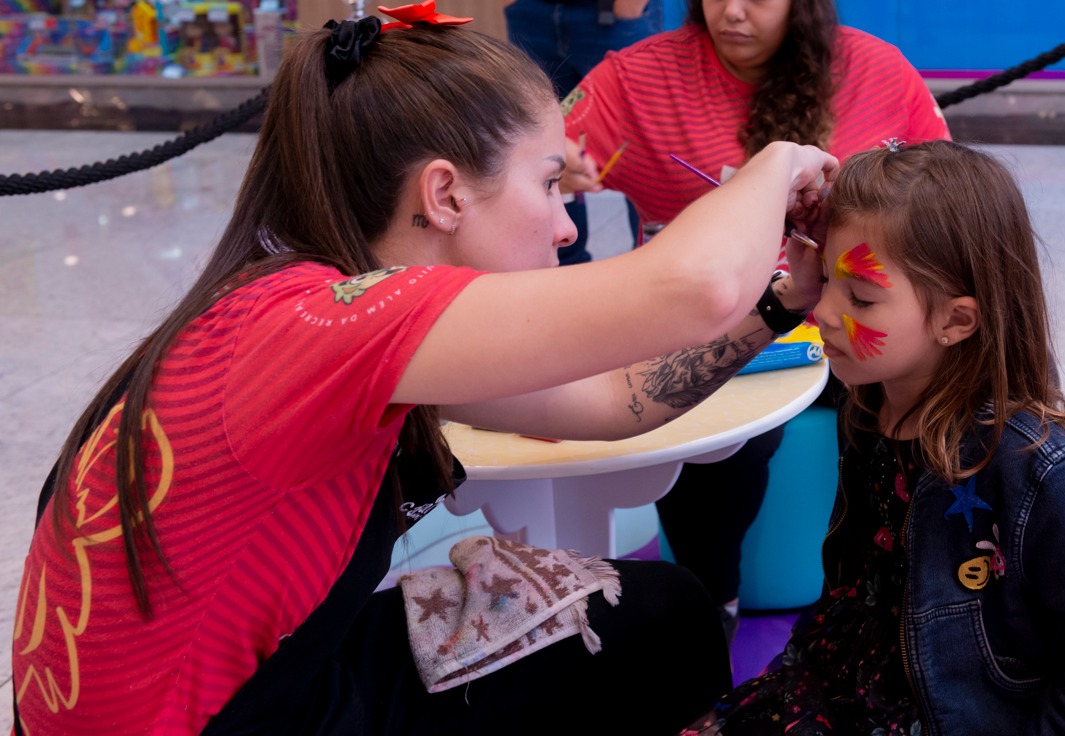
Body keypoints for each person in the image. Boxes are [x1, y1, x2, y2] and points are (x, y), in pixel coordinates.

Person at [9, 8, 838, 736]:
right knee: (665, 633)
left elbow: (614, 398)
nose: (563, 223)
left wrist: (774, 305)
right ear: (444, 195)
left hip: (258, 684)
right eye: (550, 184)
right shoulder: (320, 329)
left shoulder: (313, 300)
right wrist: (779, 164)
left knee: (667, 614)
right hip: (216, 718)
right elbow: (692, 286)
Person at [682, 140, 1065, 735]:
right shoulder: (868, 405)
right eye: (827, 277)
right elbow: (856, 590)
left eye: (859, 296)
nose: (824, 312)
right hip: (832, 683)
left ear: (956, 321)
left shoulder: (1035, 468)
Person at [558, 0, 951, 641]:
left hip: (851, 313)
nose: (731, 11)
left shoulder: (877, 69)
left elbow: (944, 199)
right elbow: (555, 143)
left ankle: (903, 595)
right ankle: (712, 608)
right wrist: (558, 164)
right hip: (718, 322)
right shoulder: (640, 76)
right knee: (715, 434)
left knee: (906, 417)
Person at [503, 0, 663, 265]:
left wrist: (628, 10)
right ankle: (566, 276)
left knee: (641, 153)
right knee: (544, 152)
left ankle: (658, 277)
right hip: (531, 12)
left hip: (615, 13)